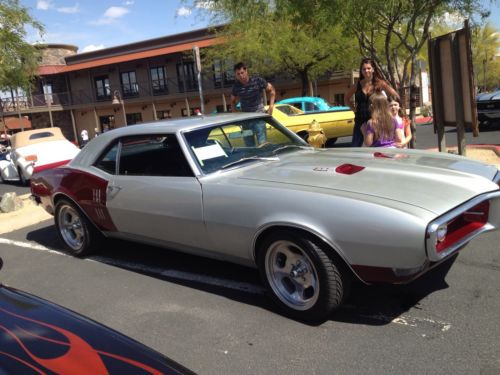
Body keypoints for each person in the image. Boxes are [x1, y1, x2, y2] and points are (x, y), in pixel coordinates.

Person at [345, 58, 399, 147]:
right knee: (355, 146)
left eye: (369, 68)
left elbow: (395, 95)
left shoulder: (380, 83)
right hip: (360, 120)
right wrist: (354, 110)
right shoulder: (357, 84)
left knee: (375, 146)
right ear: (361, 70)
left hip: (375, 120)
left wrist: (389, 109)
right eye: (364, 69)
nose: (366, 70)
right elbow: (346, 98)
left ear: (373, 69)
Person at [231, 62, 276, 146]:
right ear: (236, 75)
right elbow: (232, 101)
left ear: (246, 71)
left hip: (258, 117)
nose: (241, 76)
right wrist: (236, 116)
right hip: (245, 120)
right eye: (238, 74)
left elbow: (272, 90)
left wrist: (271, 107)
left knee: (262, 145)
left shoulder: (257, 81)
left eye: (242, 73)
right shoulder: (236, 86)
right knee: (249, 147)